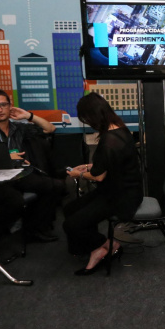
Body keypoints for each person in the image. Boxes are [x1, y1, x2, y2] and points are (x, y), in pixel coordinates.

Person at [0, 89, 65, 246]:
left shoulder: (18, 128)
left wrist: (28, 116)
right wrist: (5, 158)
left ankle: (33, 228)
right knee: (15, 201)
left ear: (9, 106)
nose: (0, 109)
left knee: (56, 185)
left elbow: (50, 129)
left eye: (3, 105)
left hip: (17, 174)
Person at [64, 93, 143, 276]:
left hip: (121, 197)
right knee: (71, 210)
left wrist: (80, 174)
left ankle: (105, 246)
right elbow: (110, 165)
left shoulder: (109, 141)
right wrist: (90, 167)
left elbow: (99, 177)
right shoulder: (119, 130)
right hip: (120, 189)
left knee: (70, 224)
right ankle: (90, 247)